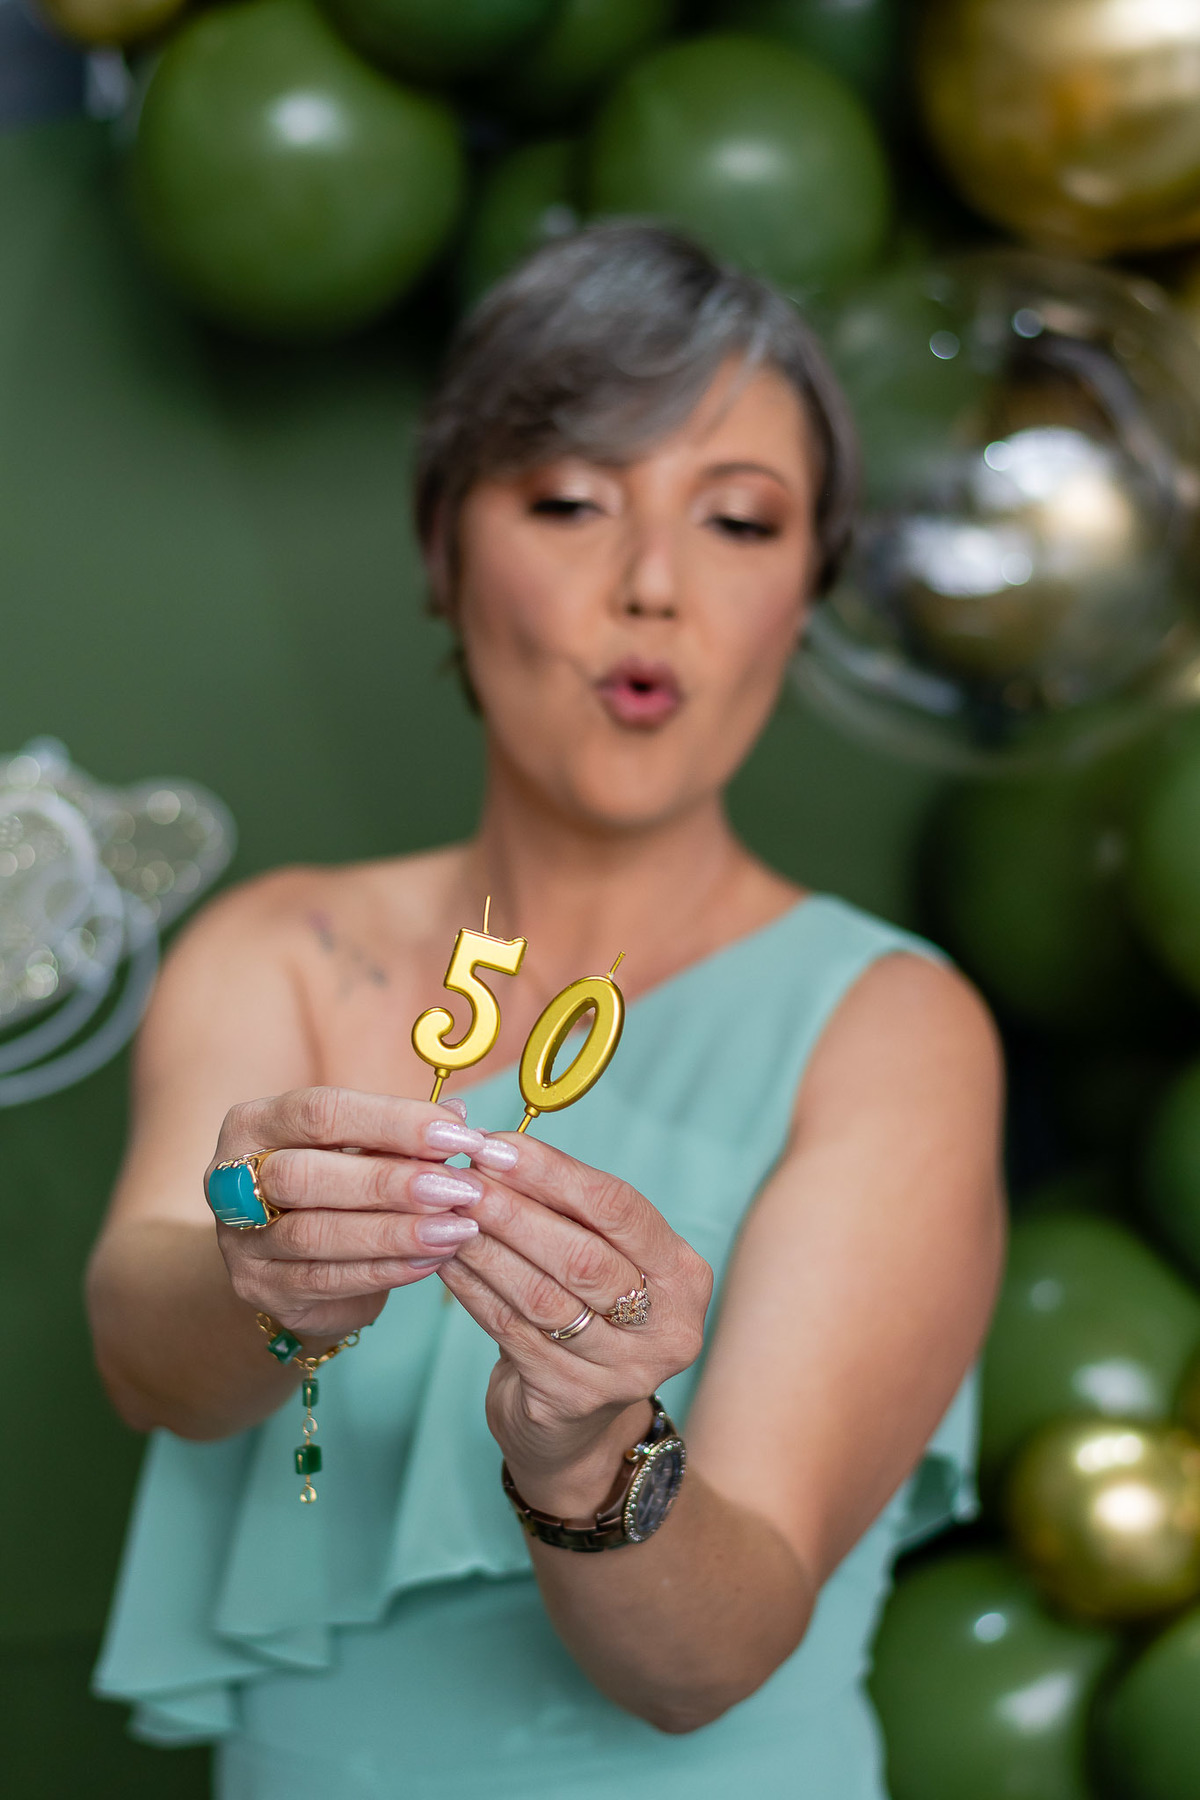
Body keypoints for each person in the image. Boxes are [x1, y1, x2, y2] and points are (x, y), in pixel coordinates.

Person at [87, 222, 1003, 1800]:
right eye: (573, 501)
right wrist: (265, 1270)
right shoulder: (279, 950)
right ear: (445, 554)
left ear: (808, 592)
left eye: (739, 521)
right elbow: (151, 1367)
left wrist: (586, 1447)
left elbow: (702, 1662)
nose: (651, 587)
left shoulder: (894, 1030)